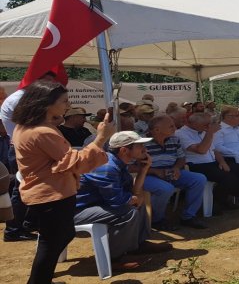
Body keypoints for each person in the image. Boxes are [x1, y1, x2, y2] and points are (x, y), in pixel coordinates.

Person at [11, 80, 115, 284]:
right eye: (64, 101)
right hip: (51, 193)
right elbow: (74, 163)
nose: (67, 105)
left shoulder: (29, 127)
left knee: (59, 237)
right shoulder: (42, 131)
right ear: (46, 103)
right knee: (51, 243)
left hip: (49, 190)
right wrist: (100, 138)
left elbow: (59, 160)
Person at [75, 131, 171, 268]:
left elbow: (133, 193)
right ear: (124, 150)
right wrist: (134, 198)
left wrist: (144, 169)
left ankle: (139, 245)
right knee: (127, 211)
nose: (145, 149)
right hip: (77, 212)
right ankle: (114, 259)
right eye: (139, 146)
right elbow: (119, 202)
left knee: (138, 203)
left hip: (96, 205)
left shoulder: (118, 163)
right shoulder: (107, 167)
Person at [1, 71, 57, 243]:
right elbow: (34, 124)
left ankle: (25, 225)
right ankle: (13, 230)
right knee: (22, 189)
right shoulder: (22, 99)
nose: (51, 87)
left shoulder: (25, 98)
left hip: (23, 148)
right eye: (48, 83)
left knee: (28, 187)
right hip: (21, 149)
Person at [177, 112, 239, 211]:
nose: (208, 126)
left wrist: (222, 162)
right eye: (205, 125)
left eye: (209, 124)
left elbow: (215, 150)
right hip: (197, 165)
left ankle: (222, 197)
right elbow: (201, 150)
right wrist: (210, 133)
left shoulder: (202, 130)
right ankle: (217, 201)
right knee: (229, 178)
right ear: (192, 123)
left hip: (213, 162)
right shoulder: (181, 134)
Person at [143, 115, 208, 230]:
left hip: (171, 170)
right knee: (165, 188)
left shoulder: (174, 139)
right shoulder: (142, 142)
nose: (175, 128)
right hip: (147, 174)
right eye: (171, 126)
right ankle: (157, 220)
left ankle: (188, 216)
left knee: (199, 179)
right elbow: (130, 167)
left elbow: (181, 158)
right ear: (157, 130)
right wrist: (155, 171)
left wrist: (177, 168)